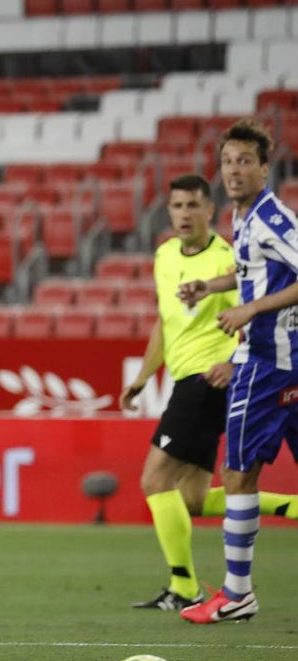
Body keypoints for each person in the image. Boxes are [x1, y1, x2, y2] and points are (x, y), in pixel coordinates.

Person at [121, 174, 298, 611]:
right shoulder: (164, 256)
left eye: (193, 206)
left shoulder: (228, 257)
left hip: (211, 378)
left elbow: (250, 313)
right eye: (177, 206)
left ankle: (183, 587)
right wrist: (144, 376)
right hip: (184, 377)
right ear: (169, 211)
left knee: (154, 479)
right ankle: (292, 507)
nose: (185, 214)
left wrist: (232, 362)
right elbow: (165, 322)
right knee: (192, 500)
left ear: (209, 211)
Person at [177, 119, 298, 624]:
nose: (234, 170)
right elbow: (253, 270)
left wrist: (250, 311)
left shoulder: (272, 217)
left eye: (245, 161)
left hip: (268, 365)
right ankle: (236, 592)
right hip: (288, 361)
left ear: (264, 169)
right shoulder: (244, 217)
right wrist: (213, 285)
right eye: (228, 162)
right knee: (242, 471)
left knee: (237, 473)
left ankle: (237, 593)